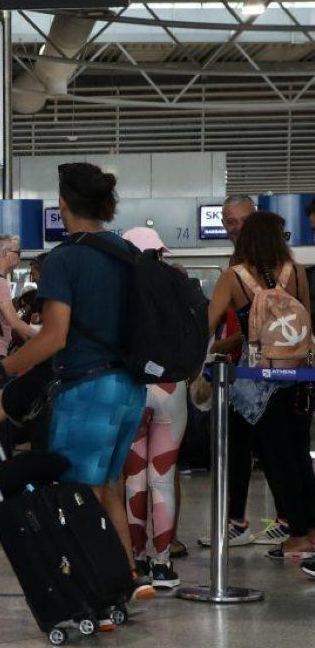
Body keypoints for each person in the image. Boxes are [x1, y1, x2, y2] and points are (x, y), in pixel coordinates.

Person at [0, 162, 154, 601]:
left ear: (64, 205)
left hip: (88, 388)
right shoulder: (126, 253)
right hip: (129, 387)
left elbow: (54, 337)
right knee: (108, 487)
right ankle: (125, 577)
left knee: (77, 495)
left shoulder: (66, 258)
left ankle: (94, 591)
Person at [204, 211, 315, 561]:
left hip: (258, 383)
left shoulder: (234, 277)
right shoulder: (296, 272)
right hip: (298, 378)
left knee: (274, 458)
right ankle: (310, 530)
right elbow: (305, 325)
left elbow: (207, 323)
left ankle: (297, 535)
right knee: (298, 454)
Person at [118, 228, 188, 591]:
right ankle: (163, 565)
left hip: (131, 387)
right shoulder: (178, 282)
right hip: (171, 386)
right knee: (163, 478)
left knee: (133, 478)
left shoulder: (119, 286)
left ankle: (138, 557)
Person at [0, 235, 39, 466]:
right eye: (17, 252)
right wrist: (45, 337)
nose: (20, 257)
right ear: (5, 253)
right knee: (3, 408)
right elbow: (14, 321)